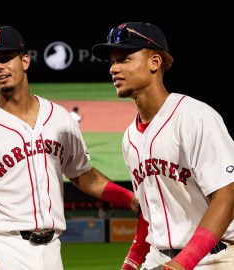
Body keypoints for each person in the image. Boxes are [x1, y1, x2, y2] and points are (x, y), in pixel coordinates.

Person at [0, 25, 139, 270]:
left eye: (5, 58)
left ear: (25, 61)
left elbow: (81, 174)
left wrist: (129, 199)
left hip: (52, 250)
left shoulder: (59, 117)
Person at [92, 21, 234, 270]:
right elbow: (150, 214)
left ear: (155, 62)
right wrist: (131, 263)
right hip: (160, 258)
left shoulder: (195, 117)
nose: (114, 68)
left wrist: (181, 264)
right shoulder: (129, 139)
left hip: (214, 257)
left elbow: (227, 197)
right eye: (112, 61)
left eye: (124, 59)